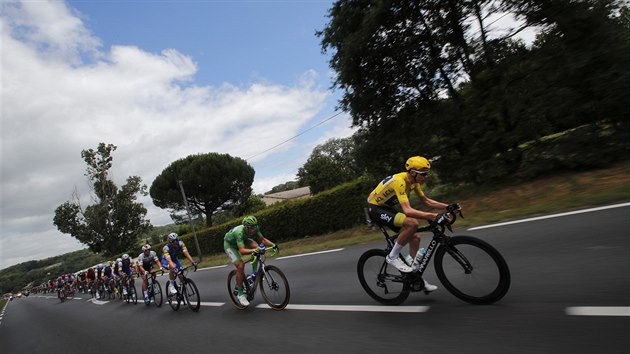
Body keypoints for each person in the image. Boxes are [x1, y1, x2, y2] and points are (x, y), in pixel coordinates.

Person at [366, 156, 462, 291]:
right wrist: (434, 216)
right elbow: (407, 210)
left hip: (386, 208)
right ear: (412, 173)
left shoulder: (414, 182)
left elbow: (427, 201)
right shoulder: (399, 181)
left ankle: (415, 278)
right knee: (412, 224)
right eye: (423, 173)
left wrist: (448, 207)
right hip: (375, 208)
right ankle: (392, 256)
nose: (426, 176)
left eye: (427, 173)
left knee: (415, 237)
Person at [224, 215, 278, 307]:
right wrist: (255, 250)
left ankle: (254, 274)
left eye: (254, 227)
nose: (253, 230)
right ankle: (240, 294)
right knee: (240, 266)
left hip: (243, 240)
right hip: (230, 245)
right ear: (246, 227)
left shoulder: (255, 227)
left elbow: (263, 239)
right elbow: (242, 251)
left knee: (257, 247)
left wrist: (274, 245)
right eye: (251, 228)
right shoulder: (239, 232)